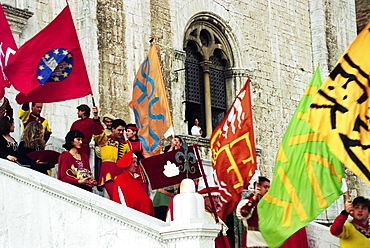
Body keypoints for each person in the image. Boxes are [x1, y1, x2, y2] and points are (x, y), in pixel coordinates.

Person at [92, 106, 130, 199]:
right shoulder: (104, 139)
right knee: (109, 197)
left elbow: (129, 159)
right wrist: (96, 117)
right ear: (113, 129)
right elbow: (97, 133)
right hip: (107, 172)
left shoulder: (125, 144)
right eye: (119, 130)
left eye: (122, 130)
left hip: (120, 173)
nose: (121, 132)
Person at [112, 151, 155, 216]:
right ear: (127, 163)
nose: (136, 165)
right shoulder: (120, 179)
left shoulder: (134, 180)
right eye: (133, 162)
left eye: (136, 162)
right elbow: (121, 201)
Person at [153, 136, 183, 220]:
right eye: (174, 141)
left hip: (176, 198)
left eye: (177, 141)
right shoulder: (165, 158)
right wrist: (172, 148)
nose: (175, 143)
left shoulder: (184, 158)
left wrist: (178, 150)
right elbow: (164, 159)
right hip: (163, 198)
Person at [236, 177, 271, 248]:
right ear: (258, 187)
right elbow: (243, 214)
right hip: (252, 240)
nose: (267, 190)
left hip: (267, 240)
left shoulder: (269, 204)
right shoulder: (246, 201)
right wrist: (254, 198)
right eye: (265, 187)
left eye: (268, 187)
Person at [126, 123, 148, 194]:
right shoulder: (126, 143)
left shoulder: (141, 143)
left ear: (134, 132)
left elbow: (145, 155)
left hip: (140, 168)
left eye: (128, 131)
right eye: (126, 131)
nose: (126, 133)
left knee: (143, 188)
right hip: (130, 168)